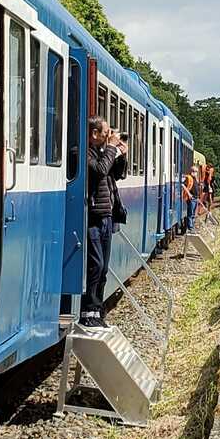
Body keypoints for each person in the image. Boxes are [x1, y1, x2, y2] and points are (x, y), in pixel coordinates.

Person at [83, 116, 126, 327]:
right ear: (94, 134)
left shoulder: (102, 153)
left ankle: (97, 312)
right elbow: (100, 171)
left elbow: (117, 174)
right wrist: (111, 148)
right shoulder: (83, 153)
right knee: (96, 265)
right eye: (106, 132)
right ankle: (88, 312)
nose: (109, 136)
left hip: (107, 216)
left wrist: (121, 155)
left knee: (103, 269)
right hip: (93, 217)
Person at [182, 164, 198, 232]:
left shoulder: (195, 179)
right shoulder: (188, 178)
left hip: (195, 198)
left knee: (193, 214)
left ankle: (192, 227)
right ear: (192, 171)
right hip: (191, 198)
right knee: (190, 213)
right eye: (195, 171)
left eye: (196, 172)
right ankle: (190, 228)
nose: (196, 173)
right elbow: (183, 184)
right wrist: (189, 194)